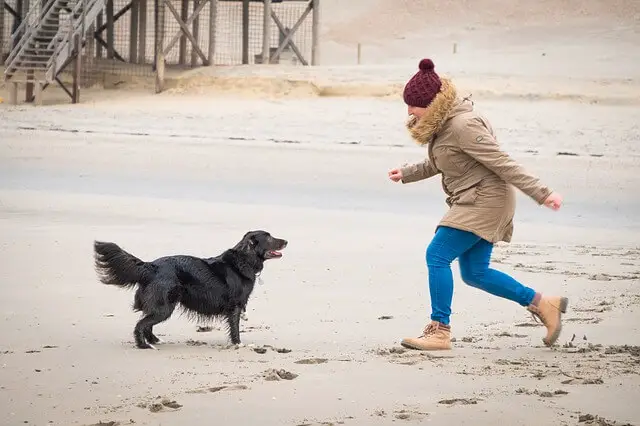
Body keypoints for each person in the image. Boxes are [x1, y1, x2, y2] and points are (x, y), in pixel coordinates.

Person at [388, 58, 568, 351]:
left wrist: (542, 193)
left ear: (431, 104)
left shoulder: (463, 125)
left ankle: (439, 330)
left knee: (437, 255)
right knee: (475, 273)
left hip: (486, 201)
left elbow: (501, 161)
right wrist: (407, 173)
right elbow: (442, 161)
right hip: (473, 198)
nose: (409, 111)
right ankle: (543, 304)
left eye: (413, 105)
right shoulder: (445, 124)